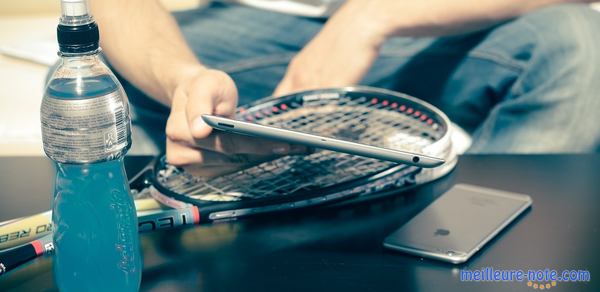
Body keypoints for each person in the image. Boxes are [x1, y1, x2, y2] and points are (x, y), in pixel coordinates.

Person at [88, 0, 600, 166]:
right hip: (252, 25)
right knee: (92, 85)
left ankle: (494, 264)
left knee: (578, 41)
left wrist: (367, 18)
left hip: (435, 20)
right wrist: (183, 78)